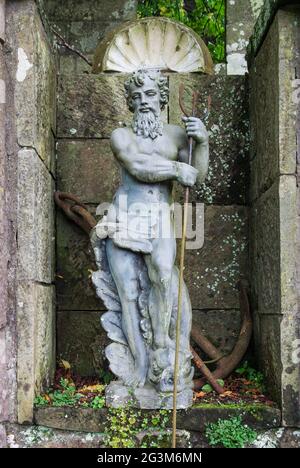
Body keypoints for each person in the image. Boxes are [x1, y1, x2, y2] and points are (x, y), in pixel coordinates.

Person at [96, 68, 209, 388]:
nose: (143, 101)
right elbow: (138, 166)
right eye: (136, 96)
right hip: (124, 217)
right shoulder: (121, 135)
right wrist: (176, 168)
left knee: (162, 274)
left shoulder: (176, 135)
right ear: (130, 102)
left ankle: (162, 346)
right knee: (127, 294)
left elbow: (197, 175)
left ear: (161, 97)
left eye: (149, 94)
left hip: (159, 215)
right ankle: (140, 369)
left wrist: (202, 143)